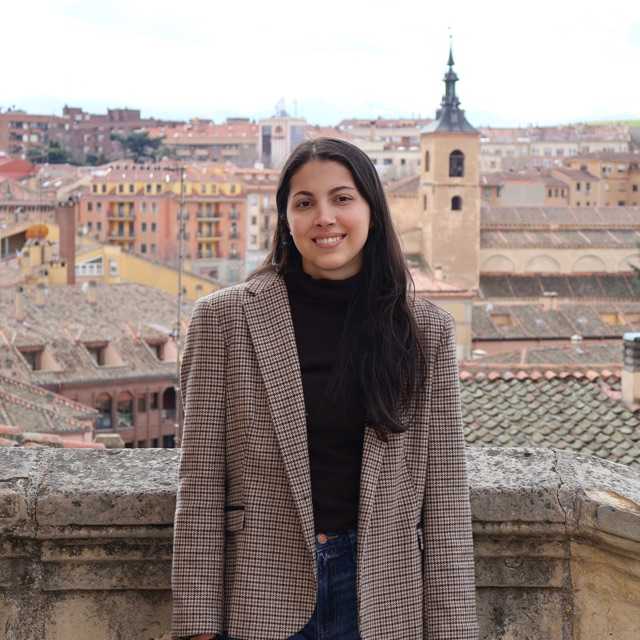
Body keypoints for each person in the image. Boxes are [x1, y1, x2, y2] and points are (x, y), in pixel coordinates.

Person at [171, 137, 479, 640]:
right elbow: (201, 477)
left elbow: (444, 493)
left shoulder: (426, 330)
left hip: (383, 596)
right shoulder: (223, 320)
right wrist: (198, 620)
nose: (324, 218)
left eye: (341, 199)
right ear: (285, 219)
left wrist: (452, 630)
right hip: (259, 590)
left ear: (371, 212)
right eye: (304, 203)